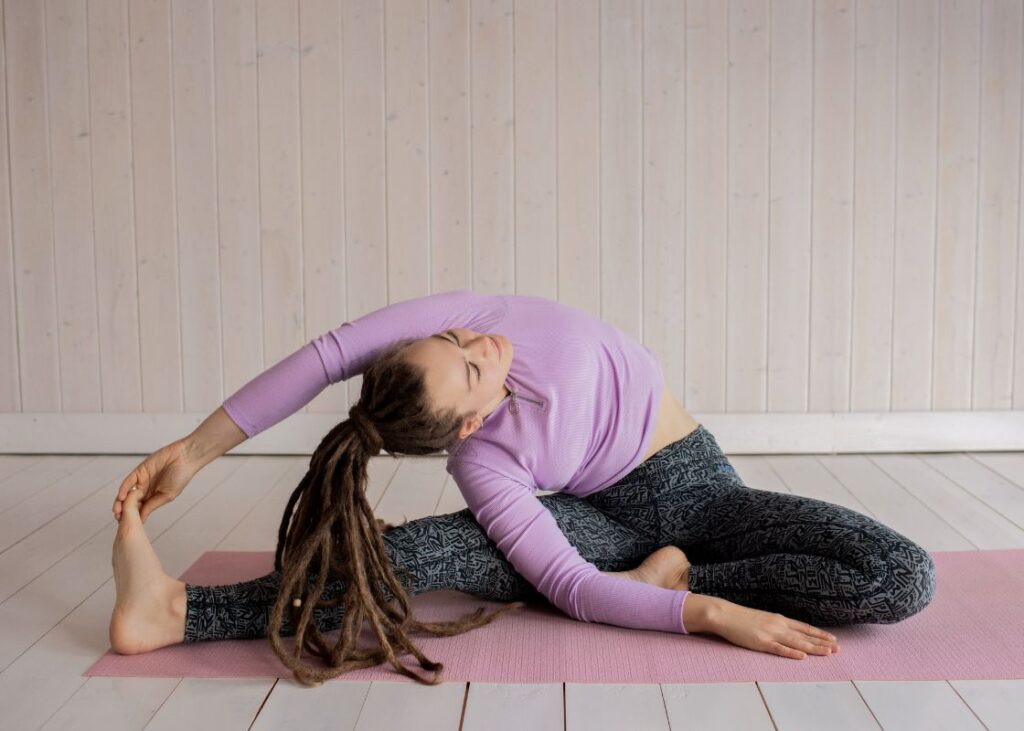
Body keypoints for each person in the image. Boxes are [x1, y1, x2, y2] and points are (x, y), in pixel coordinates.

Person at [109, 290, 935, 688]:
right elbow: (573, 584)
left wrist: (194, 448)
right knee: (427, 549)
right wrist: (712, 616)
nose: (485, 339)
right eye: (473, 364)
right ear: (466, 424)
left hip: (701, 493)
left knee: (901, 576)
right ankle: (181, 614)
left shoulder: (475, 312)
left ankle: (675, 573)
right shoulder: (485, 467)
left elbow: (325, 356)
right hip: (591, 529)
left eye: (457, 336)